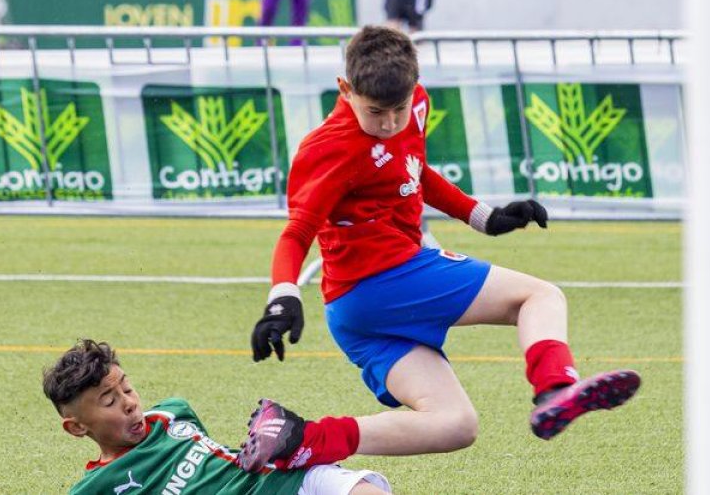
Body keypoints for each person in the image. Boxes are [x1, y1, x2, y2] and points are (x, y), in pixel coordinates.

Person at [238, 26, 641, 474]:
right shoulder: (328, 147)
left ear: (415, 86)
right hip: (384, 280)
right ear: (345, 89)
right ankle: (555, 389)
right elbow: (297, 232)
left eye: (399, 108)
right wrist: (283, 298)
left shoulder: (417, 105)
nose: (389, 123)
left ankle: (298, 437)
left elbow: (415, 170)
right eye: (376, 112)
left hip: (357, 314)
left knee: (455, 424)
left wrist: (484, 217)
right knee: (540, 296)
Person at [43, 339, 391, 495]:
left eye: (127, 389)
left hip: (283, 482)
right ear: (77, 427)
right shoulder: (94, 488)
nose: (129, 403)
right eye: (109, 401)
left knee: (360, 490)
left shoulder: (171, 412)